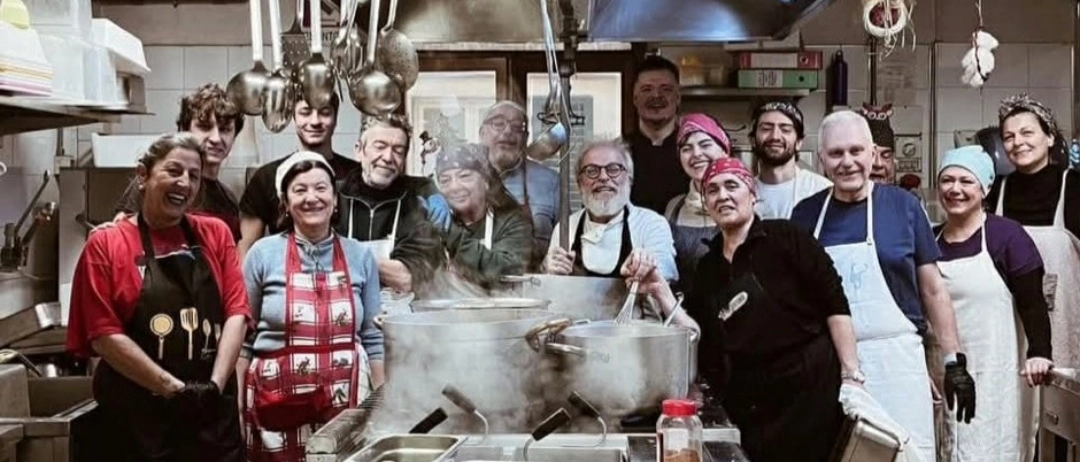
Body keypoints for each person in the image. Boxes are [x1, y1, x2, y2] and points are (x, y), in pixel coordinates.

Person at [637, 157, 860, 462]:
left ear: (752, 194)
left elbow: (835, 305)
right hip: (752, 401)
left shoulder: (787, 238)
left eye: (732, 185)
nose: (722, 196)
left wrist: (851, 376)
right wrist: (660, 290)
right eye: (712, 190)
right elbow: (697, 332)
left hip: (809, 392)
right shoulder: (709, 267)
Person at [790, 110, 976, 462]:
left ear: (873, 154)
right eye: (836, 154)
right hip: (830, 364)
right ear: (821, 161)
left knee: (911, 454)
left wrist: (954, 361)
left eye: (856, 151)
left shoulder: (904, 207)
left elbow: (933, 290)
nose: (847, 162)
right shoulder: (805, 215)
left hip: (898, 362)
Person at [66, 133, 249, 461]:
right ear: (143, 175)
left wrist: (213, 388)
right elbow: (103, 334)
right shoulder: (107, 245)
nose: (185, 183)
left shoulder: (215, 234)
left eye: (194, 176)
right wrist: (172, 389)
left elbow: (236, 311)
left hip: (210, 417)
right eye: (174, 171)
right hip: (139, 421)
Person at [240, 152, 383, 461]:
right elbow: (243, 341)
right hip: (277, 406)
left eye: (321, 188)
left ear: (334, 200)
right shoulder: (262, 255)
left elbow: (373, 340)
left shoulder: (360, 256)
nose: (311, 198)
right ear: (285, 203)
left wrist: (382, 406)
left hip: (347, 410)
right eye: (299, 190)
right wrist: (237, 410)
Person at [933, 145, 1053, 461]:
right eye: (947, 180)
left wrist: (1039, 352)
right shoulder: (928, 240)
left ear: (985, 188)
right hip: (943, 373)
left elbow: (1032, 303)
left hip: (996, 373)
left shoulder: (1007, 236)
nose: (954, 189)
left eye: (965, 181)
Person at [988, 94, 1080, 367]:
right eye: (1009, 136)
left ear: (1050, 138)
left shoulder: (1073, 186)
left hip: (1065, 319)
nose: (1018, 142)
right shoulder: (997, 190)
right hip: (1009, 321)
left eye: (1027, 132)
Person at [113, 84, 245, 240]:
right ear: (184, 129)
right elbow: (121, 234)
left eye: (225, 129)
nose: (216, 139)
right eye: (205, 127)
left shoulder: (228, 202)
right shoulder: (157, 183)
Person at [239, 95, 360, 260]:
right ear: (294, 117)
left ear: (335, 118)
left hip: (347, 276)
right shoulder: (266, 177)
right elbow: (246, 246)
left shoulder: (356, 175)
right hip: (284, 279)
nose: (315, 121)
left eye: (324, 113)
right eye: (305, 112)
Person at [337, 115, 444, 301]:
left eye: (398, 150)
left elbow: (407, 279)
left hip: (400, 320)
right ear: (359, 151)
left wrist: (341, 256)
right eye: (380, 146)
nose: (388, 157)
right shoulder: (332, 198)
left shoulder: (416, 203)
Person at [544, 139, 678, 286]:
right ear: (579, 183)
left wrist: (648, 270)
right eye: (592, 171)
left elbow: (662, 288)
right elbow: (553, 294)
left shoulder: (651, 225)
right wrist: (548, 273)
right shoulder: (565, 228)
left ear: (630, 179)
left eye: (613, 169)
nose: (603, 177)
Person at [431, 143, 533, 296]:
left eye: (464, 176)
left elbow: (504, 269)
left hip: (498, 315)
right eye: (445, 180)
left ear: (486, 181)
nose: (454, 187)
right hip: (446, 315)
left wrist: (450, 231)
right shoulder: (433, 221)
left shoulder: (513, 221)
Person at [477, 100, 560, 265]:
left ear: (526, 138)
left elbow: (566, 244)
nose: (508, 131)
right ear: (482, 133)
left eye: (517, 127)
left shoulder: (550, 182)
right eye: (498, 124)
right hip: (471, 287)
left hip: (534, 285)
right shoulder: (461, 179)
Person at [663, 114, 729, 295]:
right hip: (682, 314)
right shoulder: (674, 207)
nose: (696, 154)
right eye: (686, 148)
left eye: (705, 144)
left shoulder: (749, 203)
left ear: (724, 150)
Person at [625, 55, 688, 214]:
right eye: (647, 89)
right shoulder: (620, 151)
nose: (656, 96)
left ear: (678, 97)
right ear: (635, 98)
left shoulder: (693, 151)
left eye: (665, 89)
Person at [750, 101, 832, 220]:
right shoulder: (743, 193)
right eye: (766, 128)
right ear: (752, 140)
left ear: (799, 142)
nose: (775, 136)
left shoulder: (821, 190)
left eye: (785, 130)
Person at [859, 103, 898, 185]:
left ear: (894, 161)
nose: (878, 163)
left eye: (886, 156)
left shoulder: (906, 198)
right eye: (870, 155)